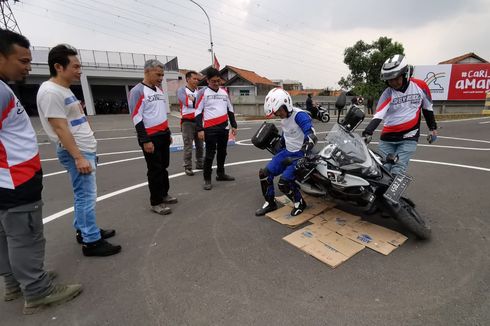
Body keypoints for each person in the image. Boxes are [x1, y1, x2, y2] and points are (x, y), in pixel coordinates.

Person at [0, 29, 82, 315]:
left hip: (8, 180)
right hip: (15, 180)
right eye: (22, 61)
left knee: (7, 235)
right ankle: (36, 291)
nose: (28, 67)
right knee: (25, 236)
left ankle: (15, 284)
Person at [37, 44, 121, 257]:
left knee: (82, 195)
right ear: (58, 66)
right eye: (75, 66)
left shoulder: (64, 90)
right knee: (86, 196)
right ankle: (92, 241)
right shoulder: (50, 92)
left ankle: (84, 231)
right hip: (77, 152)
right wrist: (79, 156)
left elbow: (77, 120)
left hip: (85, 150)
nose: (79, 70)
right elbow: (59, 127)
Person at [362, 54, 438, 175]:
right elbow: (378, 115)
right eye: (389, 79)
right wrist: (368, 132)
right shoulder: (388, 93)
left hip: (409, 137)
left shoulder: (421, 86)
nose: (393, 82)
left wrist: (432, 128)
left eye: (396, 78)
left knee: (397, 169)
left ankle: (392, 194)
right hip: (387, 138)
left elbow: (427, 108)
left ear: (405, 74)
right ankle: (381, 194)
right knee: (383, 171)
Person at [255, 88, 317, 217]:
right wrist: (281, 143)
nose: (278, 114)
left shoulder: (300, 115)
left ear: (286, 104)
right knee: (264, 174)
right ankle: (270, 203)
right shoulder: (284, 118)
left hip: (300, 154)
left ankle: (299, 203)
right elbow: (287, 133)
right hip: (287, 152)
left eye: (279, 111)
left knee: (284, 183)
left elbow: (312, 135)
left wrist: (304, 154)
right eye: (276, 113)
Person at [128, 59, 177, 215]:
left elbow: (161, 114)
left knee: (164, 167)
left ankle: (164, 194)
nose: (161, 78)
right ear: (147, 72)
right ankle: (156, 202)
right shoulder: (137, 91)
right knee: (154, 169)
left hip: (163, 134)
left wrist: (168, 132)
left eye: (162, 75)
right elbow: (136, 117)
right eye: (158, 74)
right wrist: (145, 140)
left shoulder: (159, 91)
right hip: (150, 137)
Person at [195, 68, 237, 190]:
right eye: (213, 81)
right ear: (208, 80)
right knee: (209, 154)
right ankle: (207, 178)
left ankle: (221, 173)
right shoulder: (202, 92)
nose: (216, 83)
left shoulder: (224, 92)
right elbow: (197, 111)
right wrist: (199, 129)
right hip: (209, 128)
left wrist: (234, 125)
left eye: (218, 81)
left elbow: (230, 109)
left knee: (223, 152)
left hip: (223, 127)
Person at [177, 71, 204, 176]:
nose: (196, 81)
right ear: (188, 79)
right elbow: (187, 103)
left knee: (200, 145)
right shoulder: (182, 90)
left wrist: (194, 100)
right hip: (187, 122)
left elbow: (202, 104)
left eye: (197, 79)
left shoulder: (199, 91)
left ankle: (200, 163)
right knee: (188, 145)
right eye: (194, 79)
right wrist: (196, 102)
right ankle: (187, 166)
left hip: (198, 121)